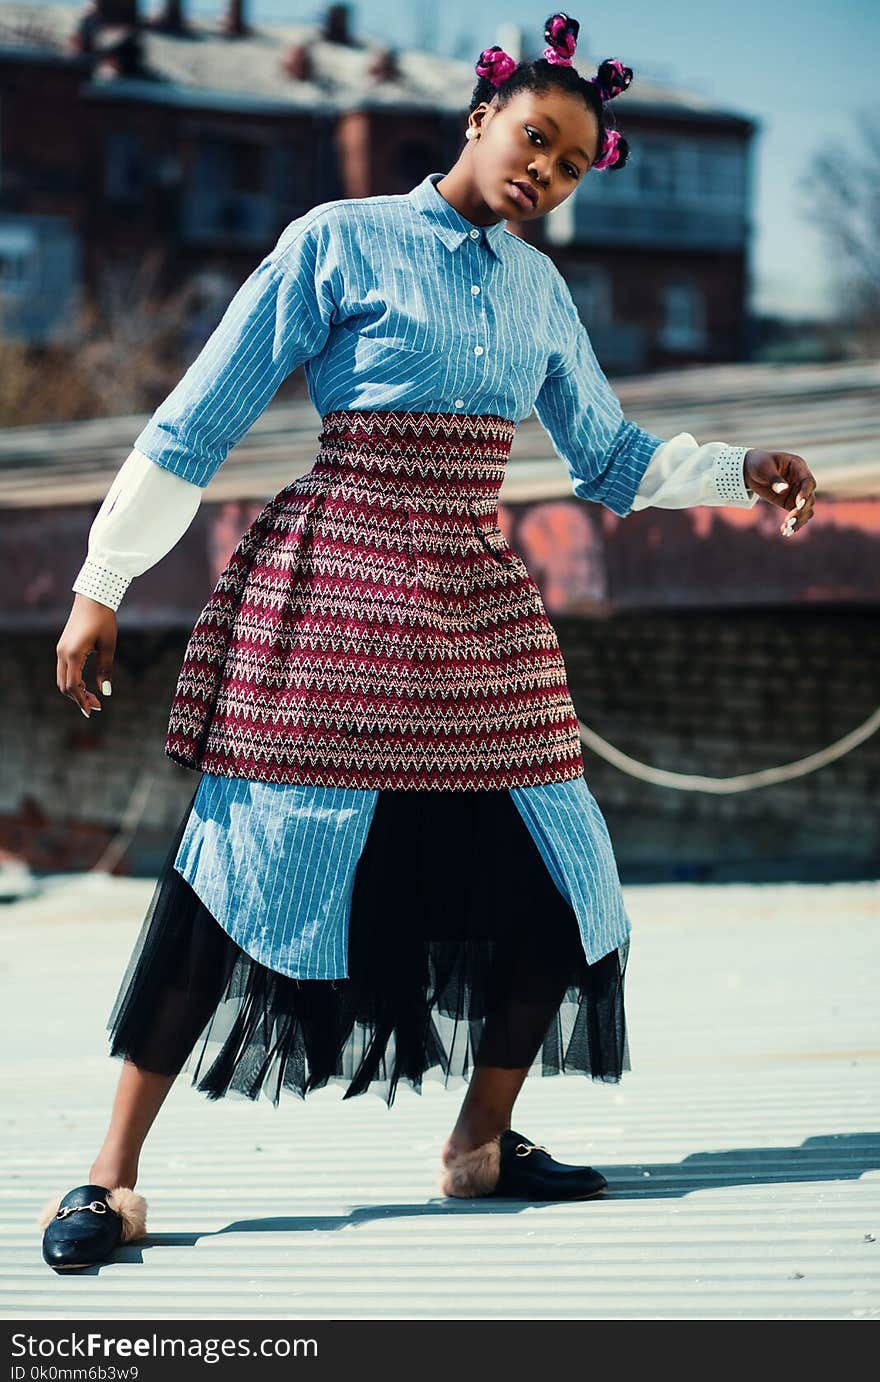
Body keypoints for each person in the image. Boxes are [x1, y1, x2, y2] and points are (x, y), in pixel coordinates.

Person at [41, 12, 816, 1271]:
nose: (545, 174)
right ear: (481, 117)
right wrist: (101, 579)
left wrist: (740, 464)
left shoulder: (540, 288)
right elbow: (200, 417)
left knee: (566, 873)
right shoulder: (338, 240)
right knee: (234, 878)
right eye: (535, 141)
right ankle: (110, 1177)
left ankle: (480, 1143)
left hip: (472, 605)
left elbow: (610, 459)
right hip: (330, 593)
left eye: (570, 167)